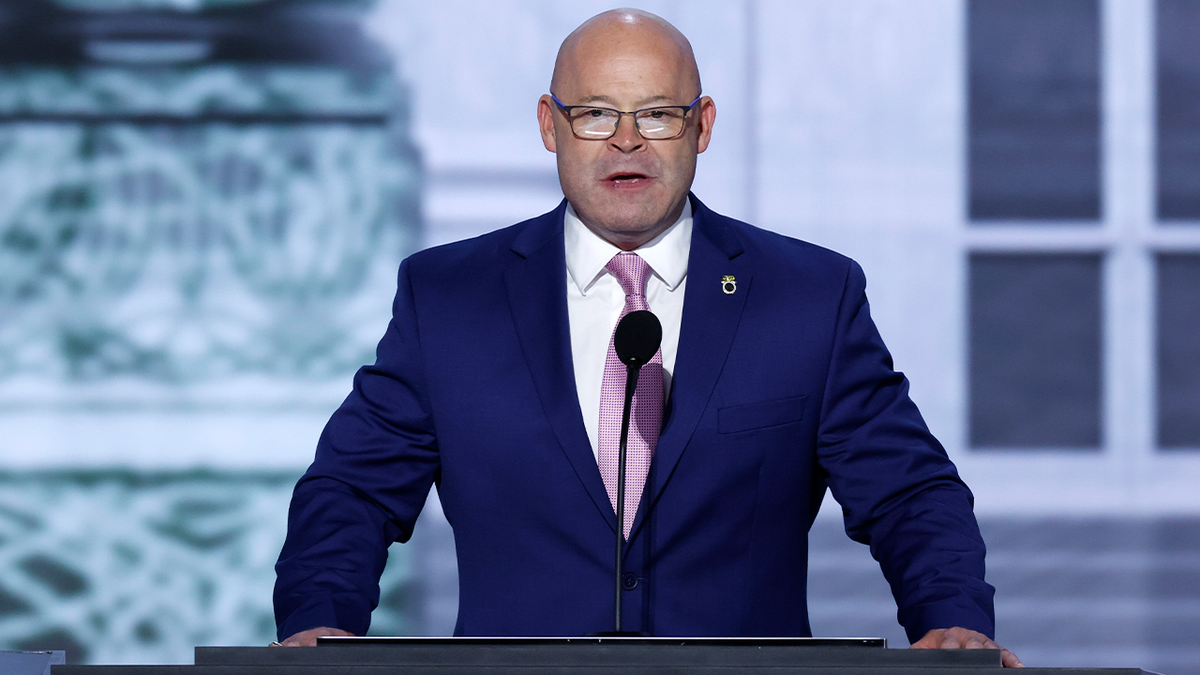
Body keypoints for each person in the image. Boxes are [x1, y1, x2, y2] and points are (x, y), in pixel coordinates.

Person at [273, 8, 1021, 668]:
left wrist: (951, 622)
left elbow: (910, 494)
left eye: (658, 114)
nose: (626, 141)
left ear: (703, 125)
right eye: (595, 114)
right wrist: (318, 622)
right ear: (549, 124)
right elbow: (353, 490)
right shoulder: (448, 298)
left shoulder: (808, 297)